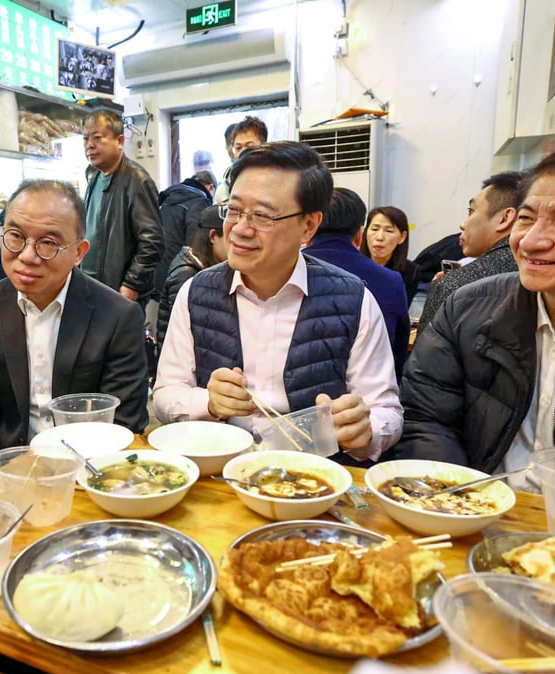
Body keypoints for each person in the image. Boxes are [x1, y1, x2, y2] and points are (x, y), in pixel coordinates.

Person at [396, 139, 555, 481]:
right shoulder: (465, 307)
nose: (531, 241)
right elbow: (426, 420)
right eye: (527, 217)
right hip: (470, 512)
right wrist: (462, 504)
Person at [154, 142, 402, 465]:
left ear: (309, 226)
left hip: (312, 482)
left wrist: (364, 428)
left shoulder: (354, 300)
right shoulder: (195, 293)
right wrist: (209, 403)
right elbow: (163, 395)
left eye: (262, 216)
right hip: (219, 477)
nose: (240, 229)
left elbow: (388, 412)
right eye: (235, 210)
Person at [0, 179, 150, 471]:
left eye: (48, 242)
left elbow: (123, 425)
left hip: (91, 470)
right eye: (16, 236)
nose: (28, 256)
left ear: (79, 252)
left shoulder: (118, 316)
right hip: (12, 470)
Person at [303, 188, 411, 377]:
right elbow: (397, 352)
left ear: (309, 225)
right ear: (360, 234)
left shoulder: (285, 270)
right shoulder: (390, 280)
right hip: (366, 395)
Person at [416, 171, 525, 330]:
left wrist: (442, 288)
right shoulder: (547, 278)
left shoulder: (455, 287)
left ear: (505, 218)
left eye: (471, 211)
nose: (463, 224)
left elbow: (427, 352)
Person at [81, 109, 163, 304]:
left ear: (119, 141)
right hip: (91, 286)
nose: (89, 145)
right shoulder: (94, 178)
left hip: (118, 291)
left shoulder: (136, 180)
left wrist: (131, 285)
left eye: (97, 138)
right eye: (85, 139)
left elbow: (152, 242)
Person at [156, 204, 229, 348]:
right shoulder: (186, 276)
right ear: (213, 236)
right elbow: (185, 333)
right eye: (230, 238)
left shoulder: (205, 267)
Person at [152, 170, 216, 299]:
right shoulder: (199, 201)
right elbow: (196, 245)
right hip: (180, 275)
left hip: (155, 272)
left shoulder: (167, 199)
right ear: (210, 187)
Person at [360, 206, 421, 306]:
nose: (380, 237)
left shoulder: (411, 271)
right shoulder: (353, 265)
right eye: (374, 229)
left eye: (389, 231)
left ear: (402, 237)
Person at [214, 116, 268, 204]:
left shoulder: (278, 178)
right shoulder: (225, 188)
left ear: (264, 146)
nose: (243, 152)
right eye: (238, 148)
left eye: (250, 146)